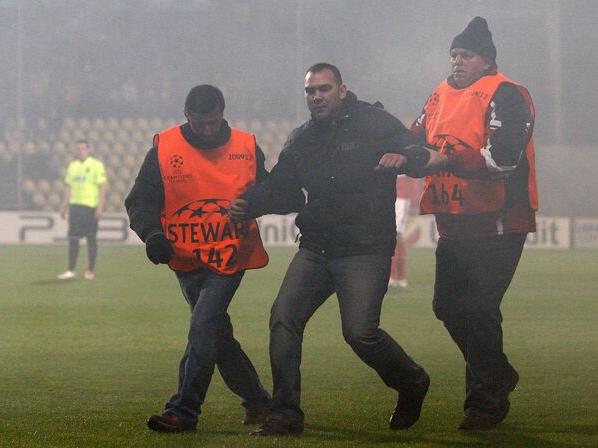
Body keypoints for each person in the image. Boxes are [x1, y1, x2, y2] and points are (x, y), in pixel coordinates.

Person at [230, 63, 431, 436]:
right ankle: (285, 414)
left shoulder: (375, 121)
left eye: (324, 89)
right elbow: (284, 190)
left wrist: (405, 159)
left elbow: (419, 149)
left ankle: (412, 382)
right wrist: (251, 204)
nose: (317, 96)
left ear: (342, 89)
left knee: (360, 334)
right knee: (283, 318)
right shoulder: (301, 139)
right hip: (316, 247)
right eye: (310, 91)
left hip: (365, 247)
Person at [388, 17, 538, 430]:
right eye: (453, 54)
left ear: (487, 60)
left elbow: (503, 159)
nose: (456, 62)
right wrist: (384, 134)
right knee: (447, 306)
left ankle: (483, 405)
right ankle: (498, 373)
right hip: (454, 223)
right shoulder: (438, 94)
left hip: (501, 222)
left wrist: (444, 159)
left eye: (465, 55)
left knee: (478, 307)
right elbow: (413, 138)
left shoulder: (507, 94)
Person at [125, 85, 302, 433]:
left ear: (223, 113)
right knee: (217, 335)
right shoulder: (164, 148)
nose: (207, 130)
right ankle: (258, 402)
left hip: (231, 255)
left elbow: (279, 194)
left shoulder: (246, 147)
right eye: (199, 123)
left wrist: (256, 203)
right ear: (186, 115)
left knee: (203, 326)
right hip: (185, 258)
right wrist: (153, 235)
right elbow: (139, 200)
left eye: (213, 123)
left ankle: (183, 410)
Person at [57, 139, 108, 280]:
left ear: (88, 149)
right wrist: (64, 206)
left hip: (90, 207)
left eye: (83, 148)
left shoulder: (96, 165)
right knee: (73, 238)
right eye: (78, 149)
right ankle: (71, 269)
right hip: (75, 207)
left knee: (91, 238)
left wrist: (100, 207)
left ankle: (90, 270)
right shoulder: (72, 166)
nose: (81, 151)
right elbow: (68, 187)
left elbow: (103, 187)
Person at [389, 175, 421, 288]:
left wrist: (414, 201)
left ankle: (396, 275)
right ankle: (398, 276)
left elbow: (412, 178)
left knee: (396, 237)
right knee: (394, 237)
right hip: (390, 198)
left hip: (400, 200)